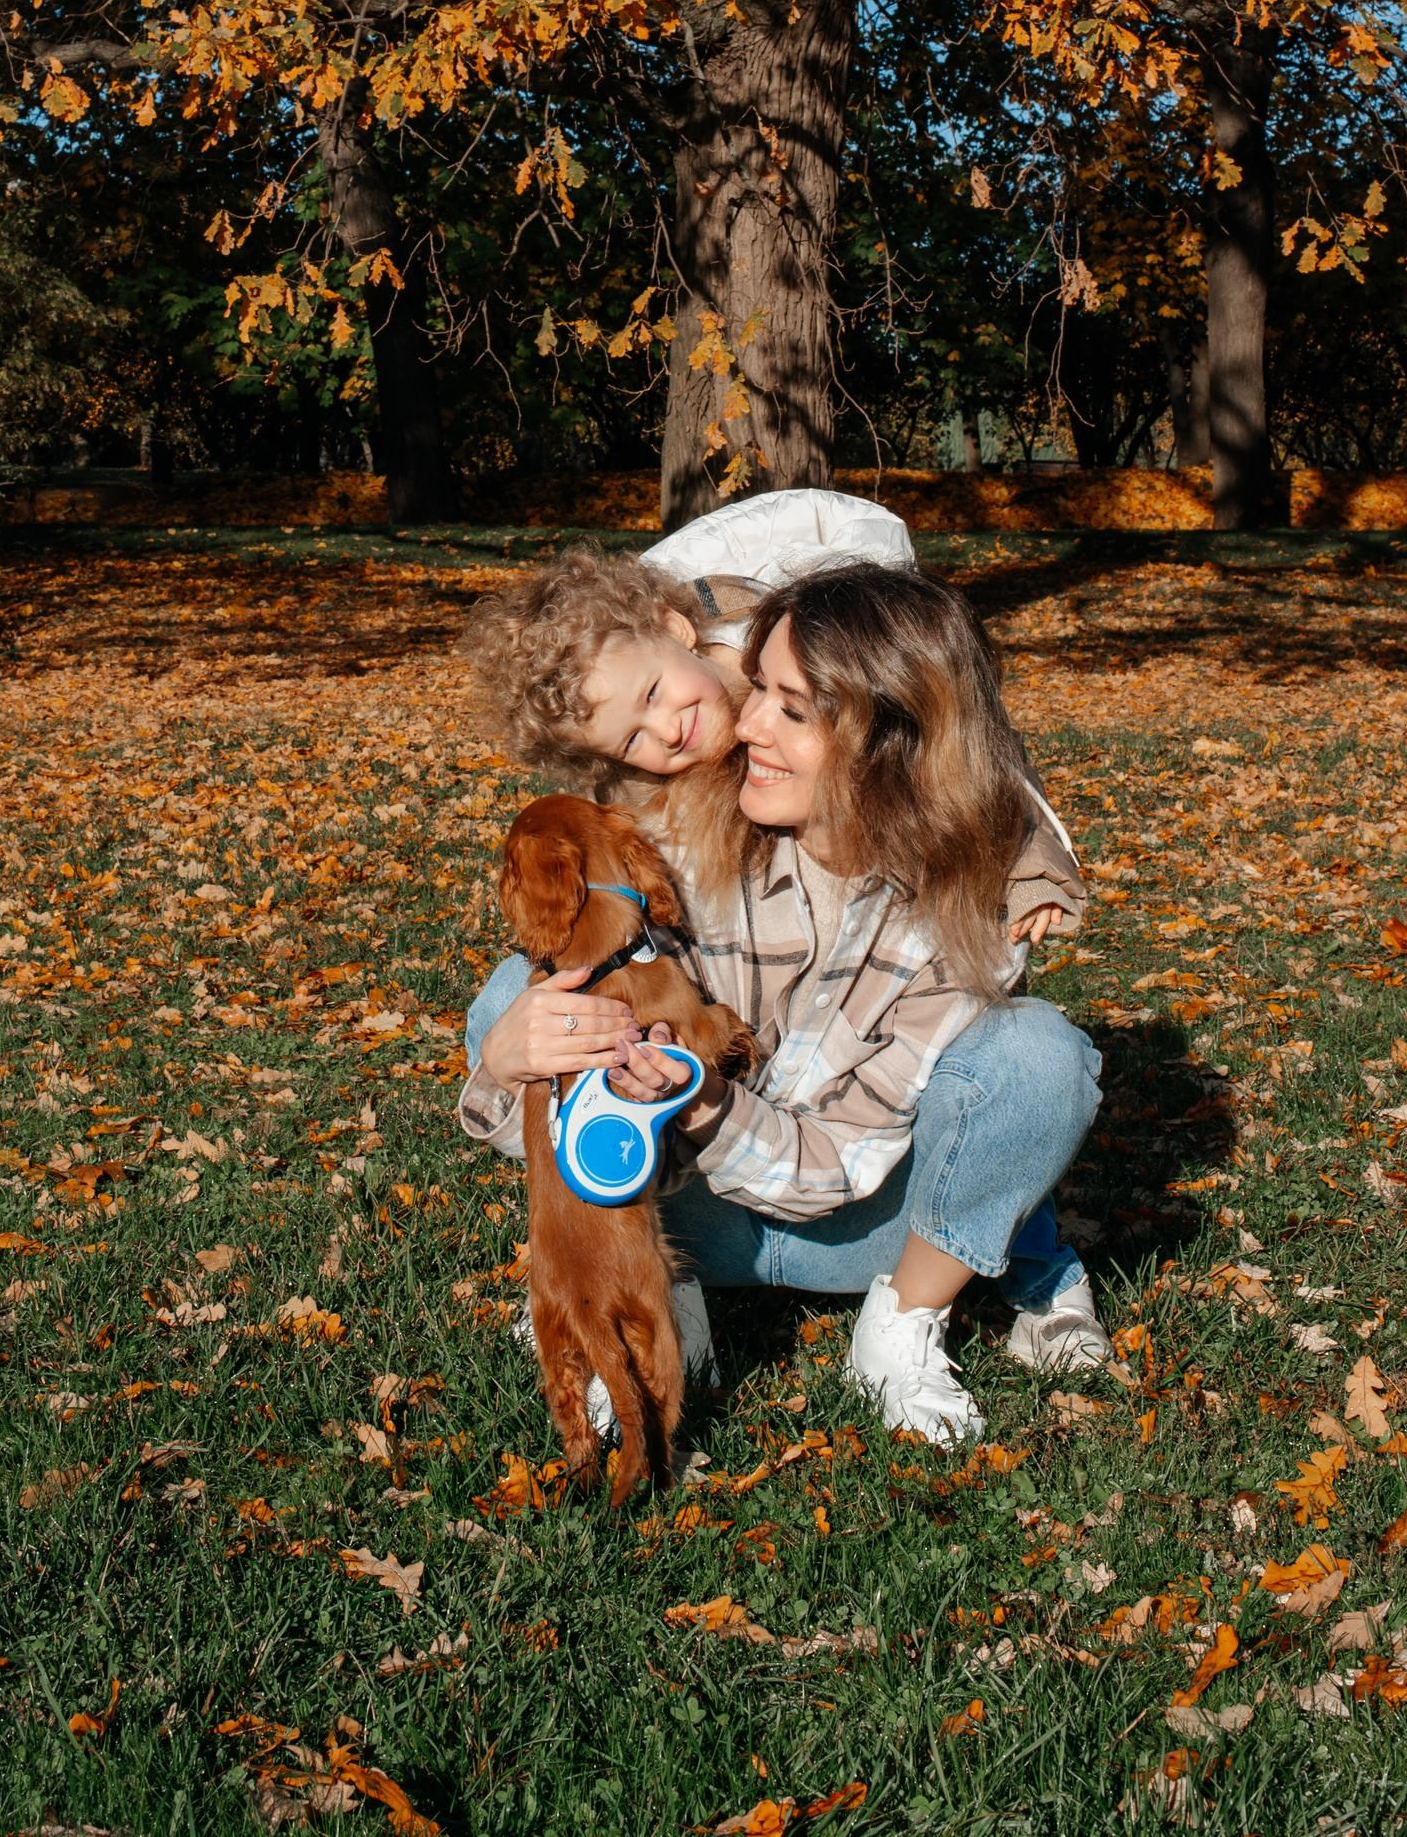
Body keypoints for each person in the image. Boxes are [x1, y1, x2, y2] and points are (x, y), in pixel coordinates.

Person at [458, 553, 1106, 1443]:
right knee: (515, 1001)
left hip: (865, 1228)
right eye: (755, 687)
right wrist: (505, 1069)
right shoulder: (669, 821)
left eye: (790, 708)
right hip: (692, 1211)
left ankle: (911, 1323)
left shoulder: (957, 910)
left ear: (886, 738)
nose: (741, 723)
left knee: (1035, 1057)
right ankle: (660, 1301)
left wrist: (709, 1102)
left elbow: (985, 762)